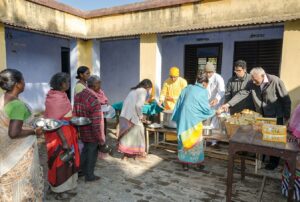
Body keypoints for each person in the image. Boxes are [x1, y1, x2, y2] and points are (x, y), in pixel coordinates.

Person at [222, 67, 291, 170]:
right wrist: (228, 104)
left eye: (255, 80)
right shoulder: (252, 82)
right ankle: (261, 157)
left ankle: (273, 161)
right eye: (252, 79)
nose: (253, 81)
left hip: (275, 115)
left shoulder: (275, 81)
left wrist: (287, 115)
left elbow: (285, 98)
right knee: (260, 137)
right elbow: (242, 93)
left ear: (263, 76)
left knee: (273, 139)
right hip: (261, 115)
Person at [0, 69, 44, 201]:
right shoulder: (17, 105)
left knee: (9, 187)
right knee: (23, 184)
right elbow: (14, 133)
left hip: (4, 152)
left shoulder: (3, 99)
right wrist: (34, 131)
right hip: (20, 153)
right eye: (23, 80)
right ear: (17, 84)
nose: (25, 83)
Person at [172, 74, 222, 171]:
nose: (207, 86)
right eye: (207, 84)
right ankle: (196, 164)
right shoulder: (203, 91)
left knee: (184, 140)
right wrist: (215, 111)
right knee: (196, 142)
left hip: (183, 120)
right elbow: (204, 109)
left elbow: (179, 103)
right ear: (204, 83)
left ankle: (185, 164)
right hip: (194, 121)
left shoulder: (187, 88)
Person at [44, 72, 80, 199]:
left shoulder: (60, 95)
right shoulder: (56, 98)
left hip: (67, 132)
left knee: (68, 160)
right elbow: (55, 122)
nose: (69, 84)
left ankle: (65, 187)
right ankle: (59, 191)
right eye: (67, 82)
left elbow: (65, 115)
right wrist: (64, 141)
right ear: (61, 84)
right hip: (58, 135)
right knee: (60, 161)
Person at [73, 76, 105, 182]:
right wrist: (100, 139)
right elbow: (96, 124)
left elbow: (75, 111)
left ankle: (79, 171)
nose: (100, 85)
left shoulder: (80, 94)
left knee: (85, 151)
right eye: (99, 83)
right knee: (92, 152)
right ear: (95, 85)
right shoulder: (93, 99)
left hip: (82, 127)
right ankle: (89, 176)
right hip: (91, 130)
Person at [117, 79, 153, 159]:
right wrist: (141, 116)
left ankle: (125, 155)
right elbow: (138, 106)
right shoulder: (143, 91)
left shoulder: (134, 90)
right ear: (148, 87)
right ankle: (138, 153)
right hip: (131, 117)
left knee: (127, 136)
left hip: (125, 116)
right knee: (139, 132)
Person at [159, 66, 187, 141]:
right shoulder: (166, 82)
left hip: (178, 106)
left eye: (175, 77)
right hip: (168, 106)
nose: (173, 79)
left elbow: (184, 95)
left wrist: (173, 98)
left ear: (178, 76)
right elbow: (163, 92)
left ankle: (178, 139)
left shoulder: (183, 82)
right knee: (169, 124)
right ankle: (168, 139)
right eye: (171, 77)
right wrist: (161, 100)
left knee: (177, 124)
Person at [204, 62, 225, 147]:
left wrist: (216, 99)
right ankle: (207, 139)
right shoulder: (203, 77)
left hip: (217, 102)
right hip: (206, 102)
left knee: (215, 121)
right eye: (207, 72)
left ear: (214, 71)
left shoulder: (218, 78)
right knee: (206, 122)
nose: (208, 74)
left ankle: (214, 141)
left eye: (210, 72)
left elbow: (222, 91)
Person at [282, 104, 300, 200]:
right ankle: (289, 190)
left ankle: (294, 192)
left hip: (295, 140)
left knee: (295, 166)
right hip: (293, 138)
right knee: (290, 165)